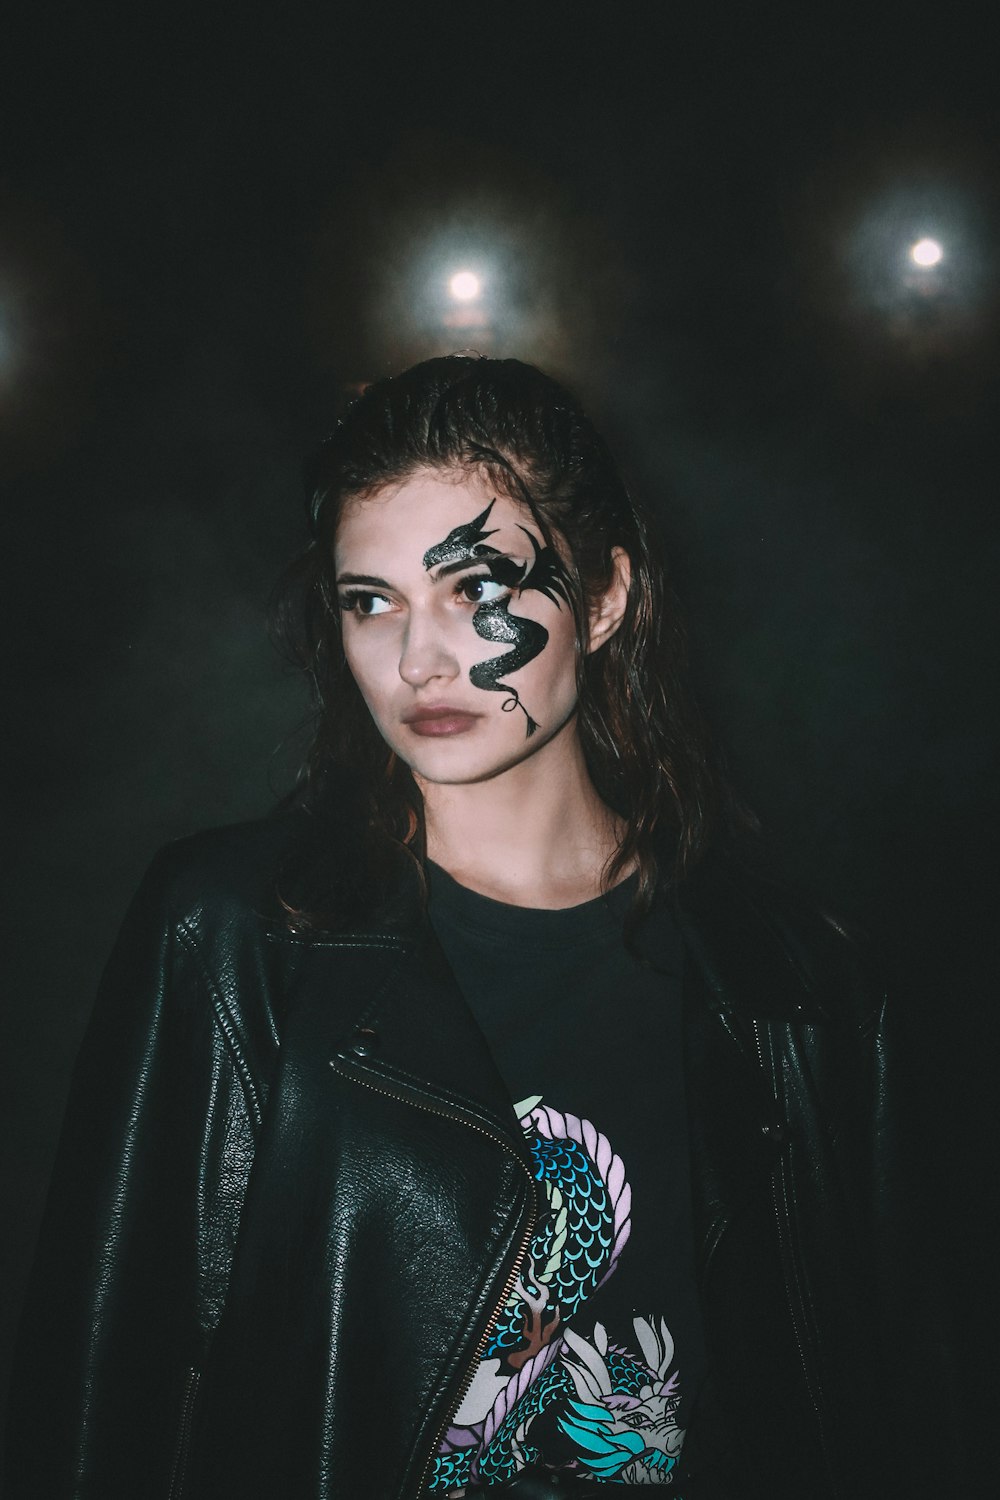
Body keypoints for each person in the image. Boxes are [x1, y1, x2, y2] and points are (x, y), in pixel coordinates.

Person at [7, 356, 934, 1499]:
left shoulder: (799, 988)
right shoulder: (234, 937)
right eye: (371, 600)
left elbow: (883, 1404)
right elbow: (108, 1387)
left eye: (476, 589)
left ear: (602, 598)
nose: (416, 659)